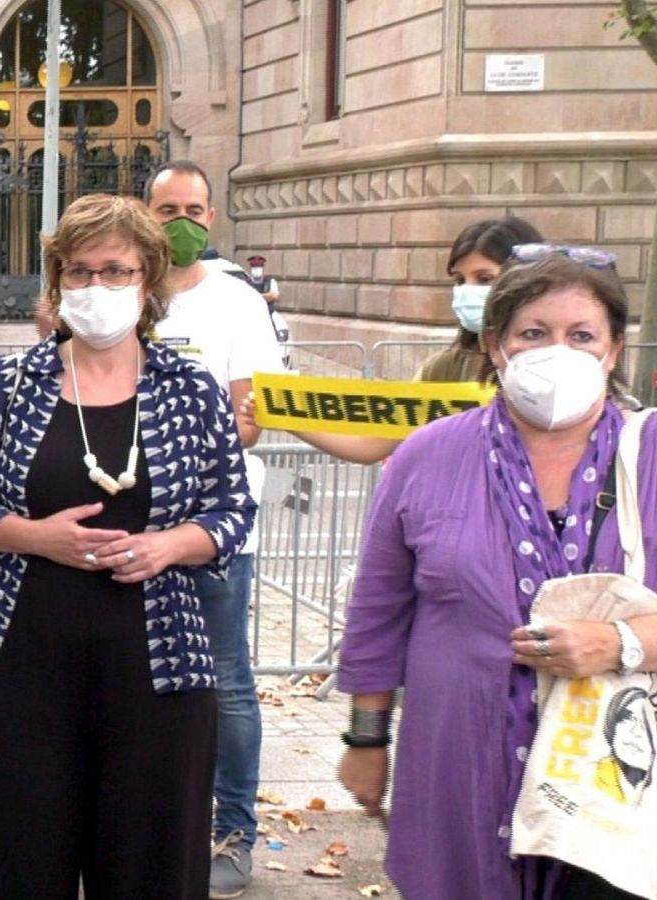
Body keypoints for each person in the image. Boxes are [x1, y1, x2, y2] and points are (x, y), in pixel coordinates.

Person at [0, 193, 256, 897]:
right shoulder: (10, 384)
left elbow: (233, 510)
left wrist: (171, 545)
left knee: (149, 871)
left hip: (157, 676)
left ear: (148, 282)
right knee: (12, 865)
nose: (95, 288)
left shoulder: (191, 390)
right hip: (15, 669)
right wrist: (34, 538)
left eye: (115, 271)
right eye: (78, 272)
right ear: (57, 281)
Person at [336, 245, 657, 900]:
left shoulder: (648, 456)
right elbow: (379, 610)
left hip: (614, 781)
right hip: (458, 763)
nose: (556, 351)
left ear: (614, 351)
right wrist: (366, 739)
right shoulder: (427, 456)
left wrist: (623, 642)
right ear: (495, 345)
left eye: (581, 335)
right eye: (534, 333)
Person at [144, 159, 283, 900]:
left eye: (195, 209)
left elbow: (251, 420)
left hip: (214, 528)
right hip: (129, 529)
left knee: (226, 681)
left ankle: (233, 830)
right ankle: (154, 819)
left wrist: (172, 454)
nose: (182, 223)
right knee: (142, 681)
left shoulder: (237, 304)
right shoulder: (125, 294)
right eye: (168, 209)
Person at [243, 216, 546, 465]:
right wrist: (280, 411)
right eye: (459, 280)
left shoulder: (558, 368)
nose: (467, 291)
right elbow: (373, 442)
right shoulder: (444, 370)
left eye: (484, 279)